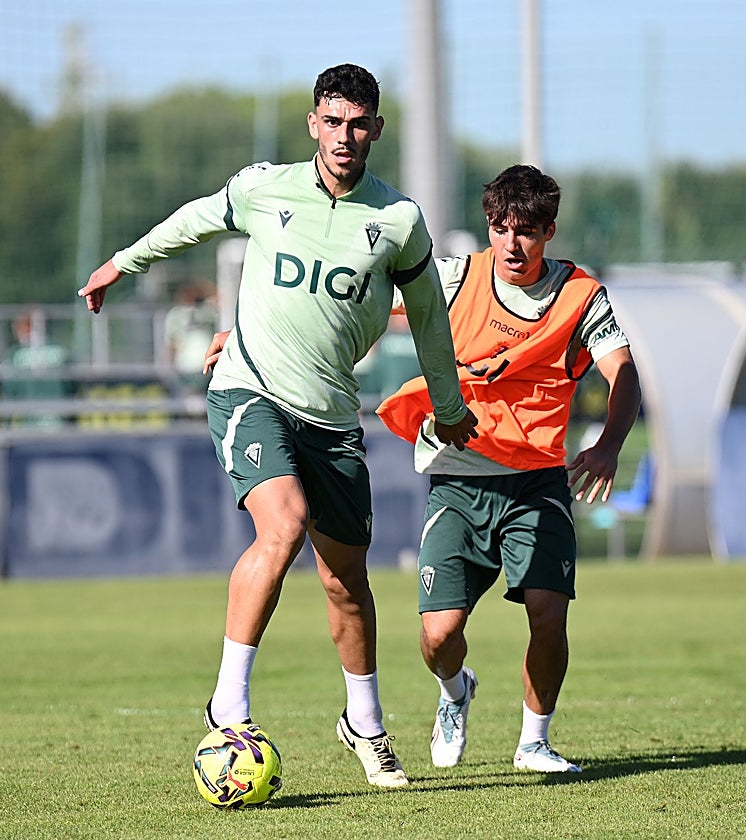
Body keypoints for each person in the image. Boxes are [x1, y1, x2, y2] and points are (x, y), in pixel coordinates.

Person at [77, 63, 477, 789]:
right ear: (313, 124)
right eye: (333, 121)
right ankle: (228, 703)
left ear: (377, 129)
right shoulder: (267, 188)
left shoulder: (399, 221)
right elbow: (193, 219)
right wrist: (120, 264)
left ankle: (366, 723)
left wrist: (448, 409)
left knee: (346, 584)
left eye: (359, 123)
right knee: (282, 524)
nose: (345, 135)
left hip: (332, 418)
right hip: (249, 390)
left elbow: (429, 325)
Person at [376, 164, 642, 772]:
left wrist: (609, 443)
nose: (511, 244)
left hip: (537, 485)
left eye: (526, 231)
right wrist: (245, 334)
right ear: (488, 227)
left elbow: (622, 370)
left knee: (549, 615)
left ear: (548, 231)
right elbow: (366, 307)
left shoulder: (580, 295)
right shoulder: (454, 277)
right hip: (458, 478)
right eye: (500, 228)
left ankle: (534, 742)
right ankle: (454, 691)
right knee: (439, 635)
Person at [161, 280, 221, 396]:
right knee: (193, 402)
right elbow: (172, 343)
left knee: (198, 401)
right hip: (189, 366)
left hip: (200, 365)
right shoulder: (176, 315)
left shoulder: (205, 312)